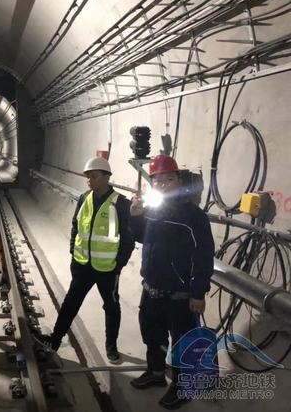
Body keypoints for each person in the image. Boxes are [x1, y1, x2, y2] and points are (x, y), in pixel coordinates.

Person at [129, 155, 215, 410]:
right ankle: (156, 373)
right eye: (158, 180)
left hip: (179, 295)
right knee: (152, 335)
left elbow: (204, 256)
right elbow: (142, 237)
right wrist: (135, 217)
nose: (163, 184)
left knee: (181, 344)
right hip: (151, 289)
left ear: (179, 180)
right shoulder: (153, 210)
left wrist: (198, 293)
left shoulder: (194, 217)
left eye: (169, 179)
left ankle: (182, 387)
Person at [37, 157, 134, 362]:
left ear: (106, 177)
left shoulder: (121, 203)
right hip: (82, 265)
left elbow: (128, 238)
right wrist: (73, 251)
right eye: (88, 177)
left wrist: (118, 265)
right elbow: (76, 225)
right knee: (71, 303)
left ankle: (111, 347)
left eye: (94, 176)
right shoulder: (84, 198)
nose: (89, 180)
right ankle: (55, 340)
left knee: (111, 306)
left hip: (107, 269)